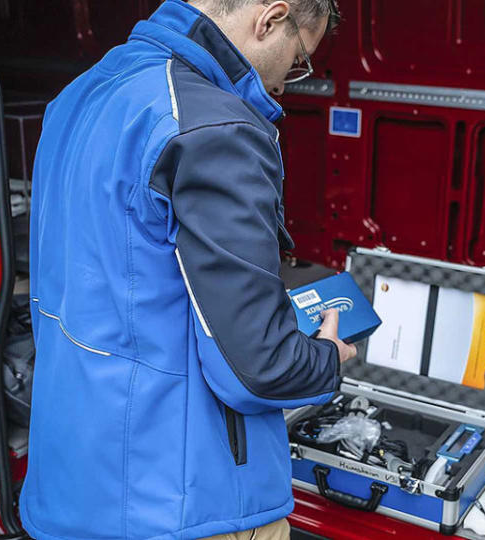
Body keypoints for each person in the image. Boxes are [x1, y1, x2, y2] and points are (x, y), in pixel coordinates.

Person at [22, 1, 354, 538]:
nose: (290, 82)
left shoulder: (84, 90)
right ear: (271, 19)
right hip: (185, 507)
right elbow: (258, 368)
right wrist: (325, 361)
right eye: (298, 57)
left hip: (73, 486)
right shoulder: (216, 127)